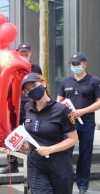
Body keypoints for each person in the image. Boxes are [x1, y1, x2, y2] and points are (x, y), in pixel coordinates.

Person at [19, 72, 78, 194]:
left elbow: (73, 139)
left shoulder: (62, 110)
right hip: (36, 164)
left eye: (34, 85)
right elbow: (32, 133)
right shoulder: (28, 107)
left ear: (43, 83)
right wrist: (26, 145)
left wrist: (50, 149)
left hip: (59, 164)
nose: (31, 91)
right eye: (27, 90)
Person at [57, 52, 100, 194]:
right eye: (73, 64)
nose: (75, 67)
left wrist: (83, 111)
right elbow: (59, 101)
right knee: (65, 153)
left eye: (77, 64)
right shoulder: (65, 81)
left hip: (87, 122)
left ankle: (83, 186)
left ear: (84, 64)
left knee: (85, 154)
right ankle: (66, 182)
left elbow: (99, 102)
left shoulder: (94, 81)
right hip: (69, 124)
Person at [0, 42, 42, 174]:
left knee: (32, 135)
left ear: (30, 54)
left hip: (32, 107)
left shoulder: (36, 68)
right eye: (22, 54)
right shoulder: (12, 68)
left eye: (26, 54)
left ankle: (34, 164)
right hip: (15, 107)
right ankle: (12, 163)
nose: (24, 56)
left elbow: (40, 85)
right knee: (13, 134)